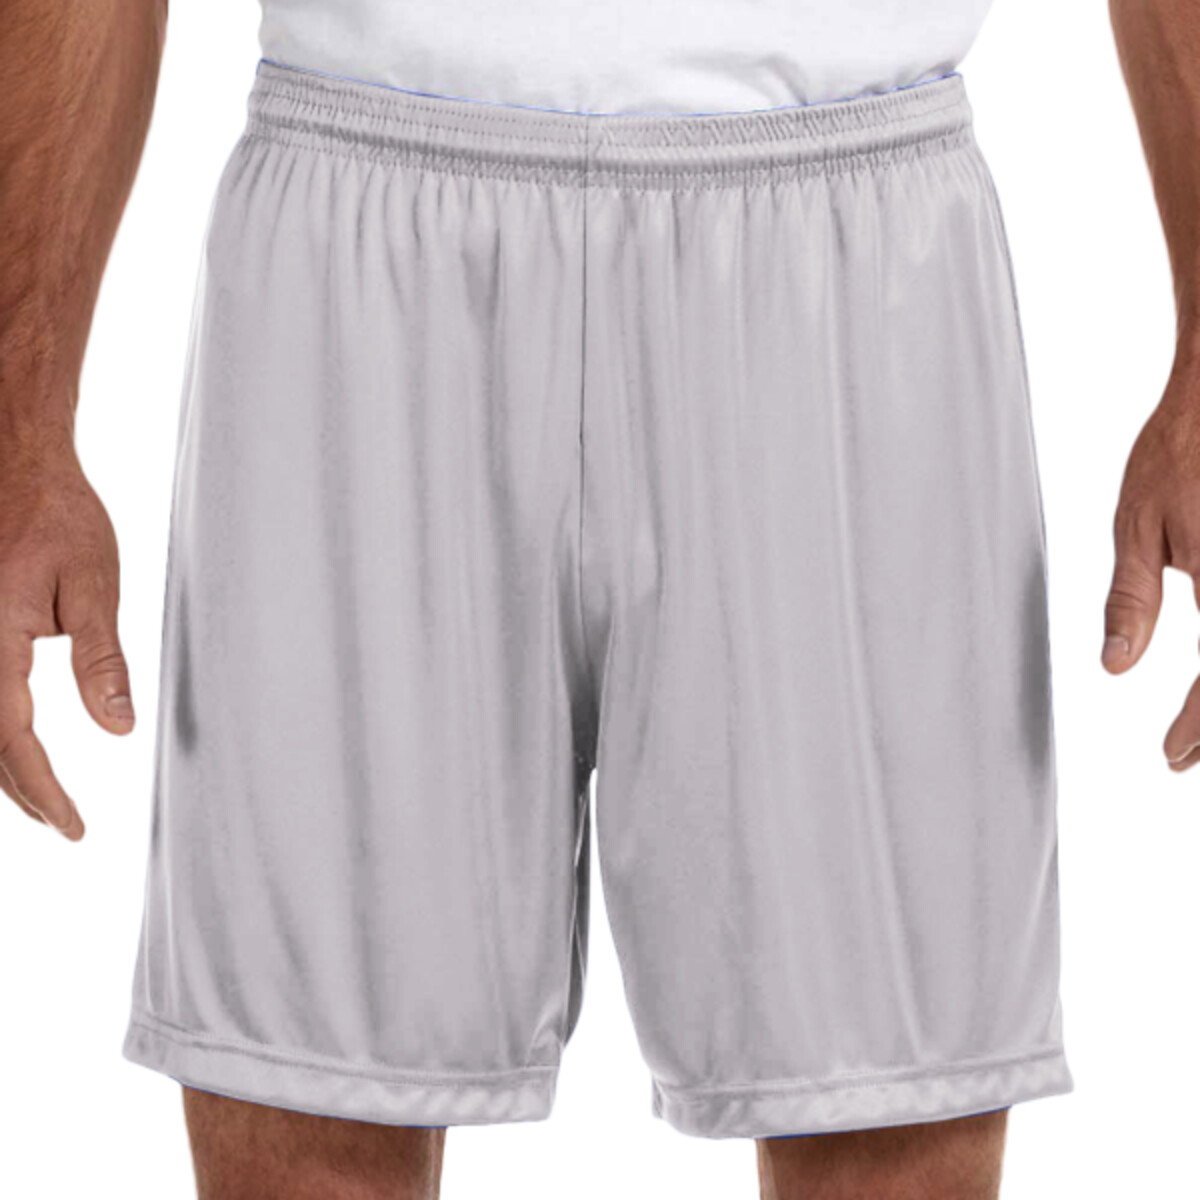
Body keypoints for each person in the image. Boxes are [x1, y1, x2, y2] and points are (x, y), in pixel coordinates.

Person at [0, 1, 1191, 1197]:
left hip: (851, 239)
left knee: (887, 1111)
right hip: (357, 232)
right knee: (303, 1110)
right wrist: (20, 431)